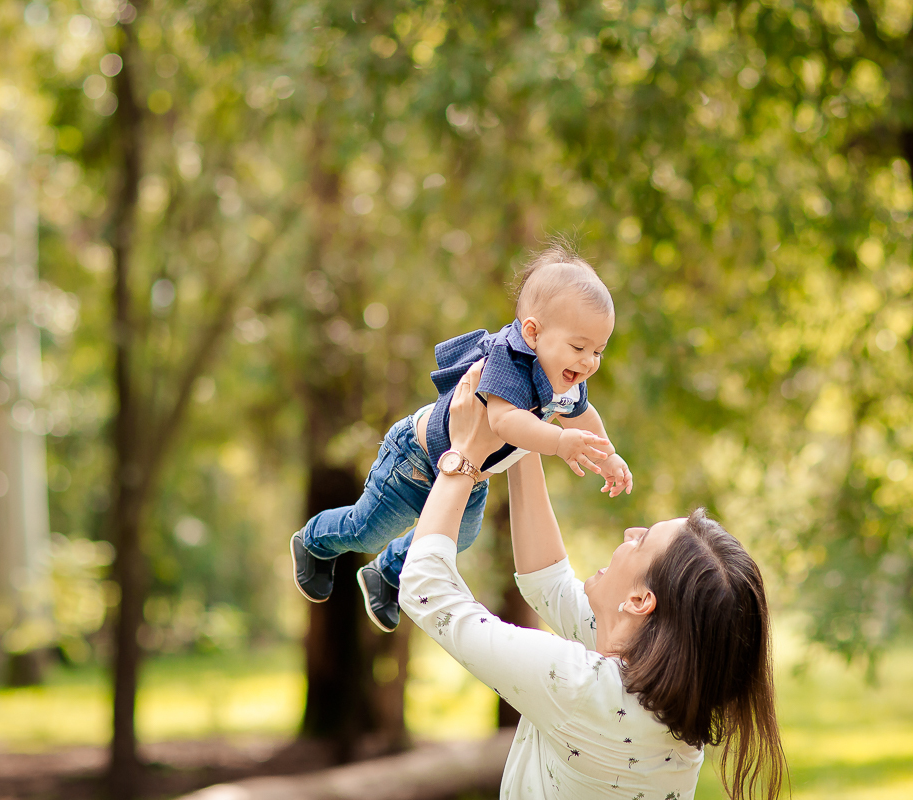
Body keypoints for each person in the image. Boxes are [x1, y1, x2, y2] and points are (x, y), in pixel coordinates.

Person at [400, 359, 787, 799]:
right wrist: (521, 433)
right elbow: (547, 584)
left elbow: (425, 589)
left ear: (641, 601)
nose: (628, 534)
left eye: (641, 542)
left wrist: (466, 455)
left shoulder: (579, 687)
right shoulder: (666, 706)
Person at [291, 243, 634, 632]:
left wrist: (609, 457)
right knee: (367, 530)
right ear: (533, 333)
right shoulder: (509, 362)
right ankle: (314, 540)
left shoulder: (568, 377)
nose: (588, 361)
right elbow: (505, 421)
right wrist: (557, 442)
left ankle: (386, 574)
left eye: (598, 351)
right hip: (415, 462)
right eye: (578, 347)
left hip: (470, 474)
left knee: (458, 539)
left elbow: (583, 415)